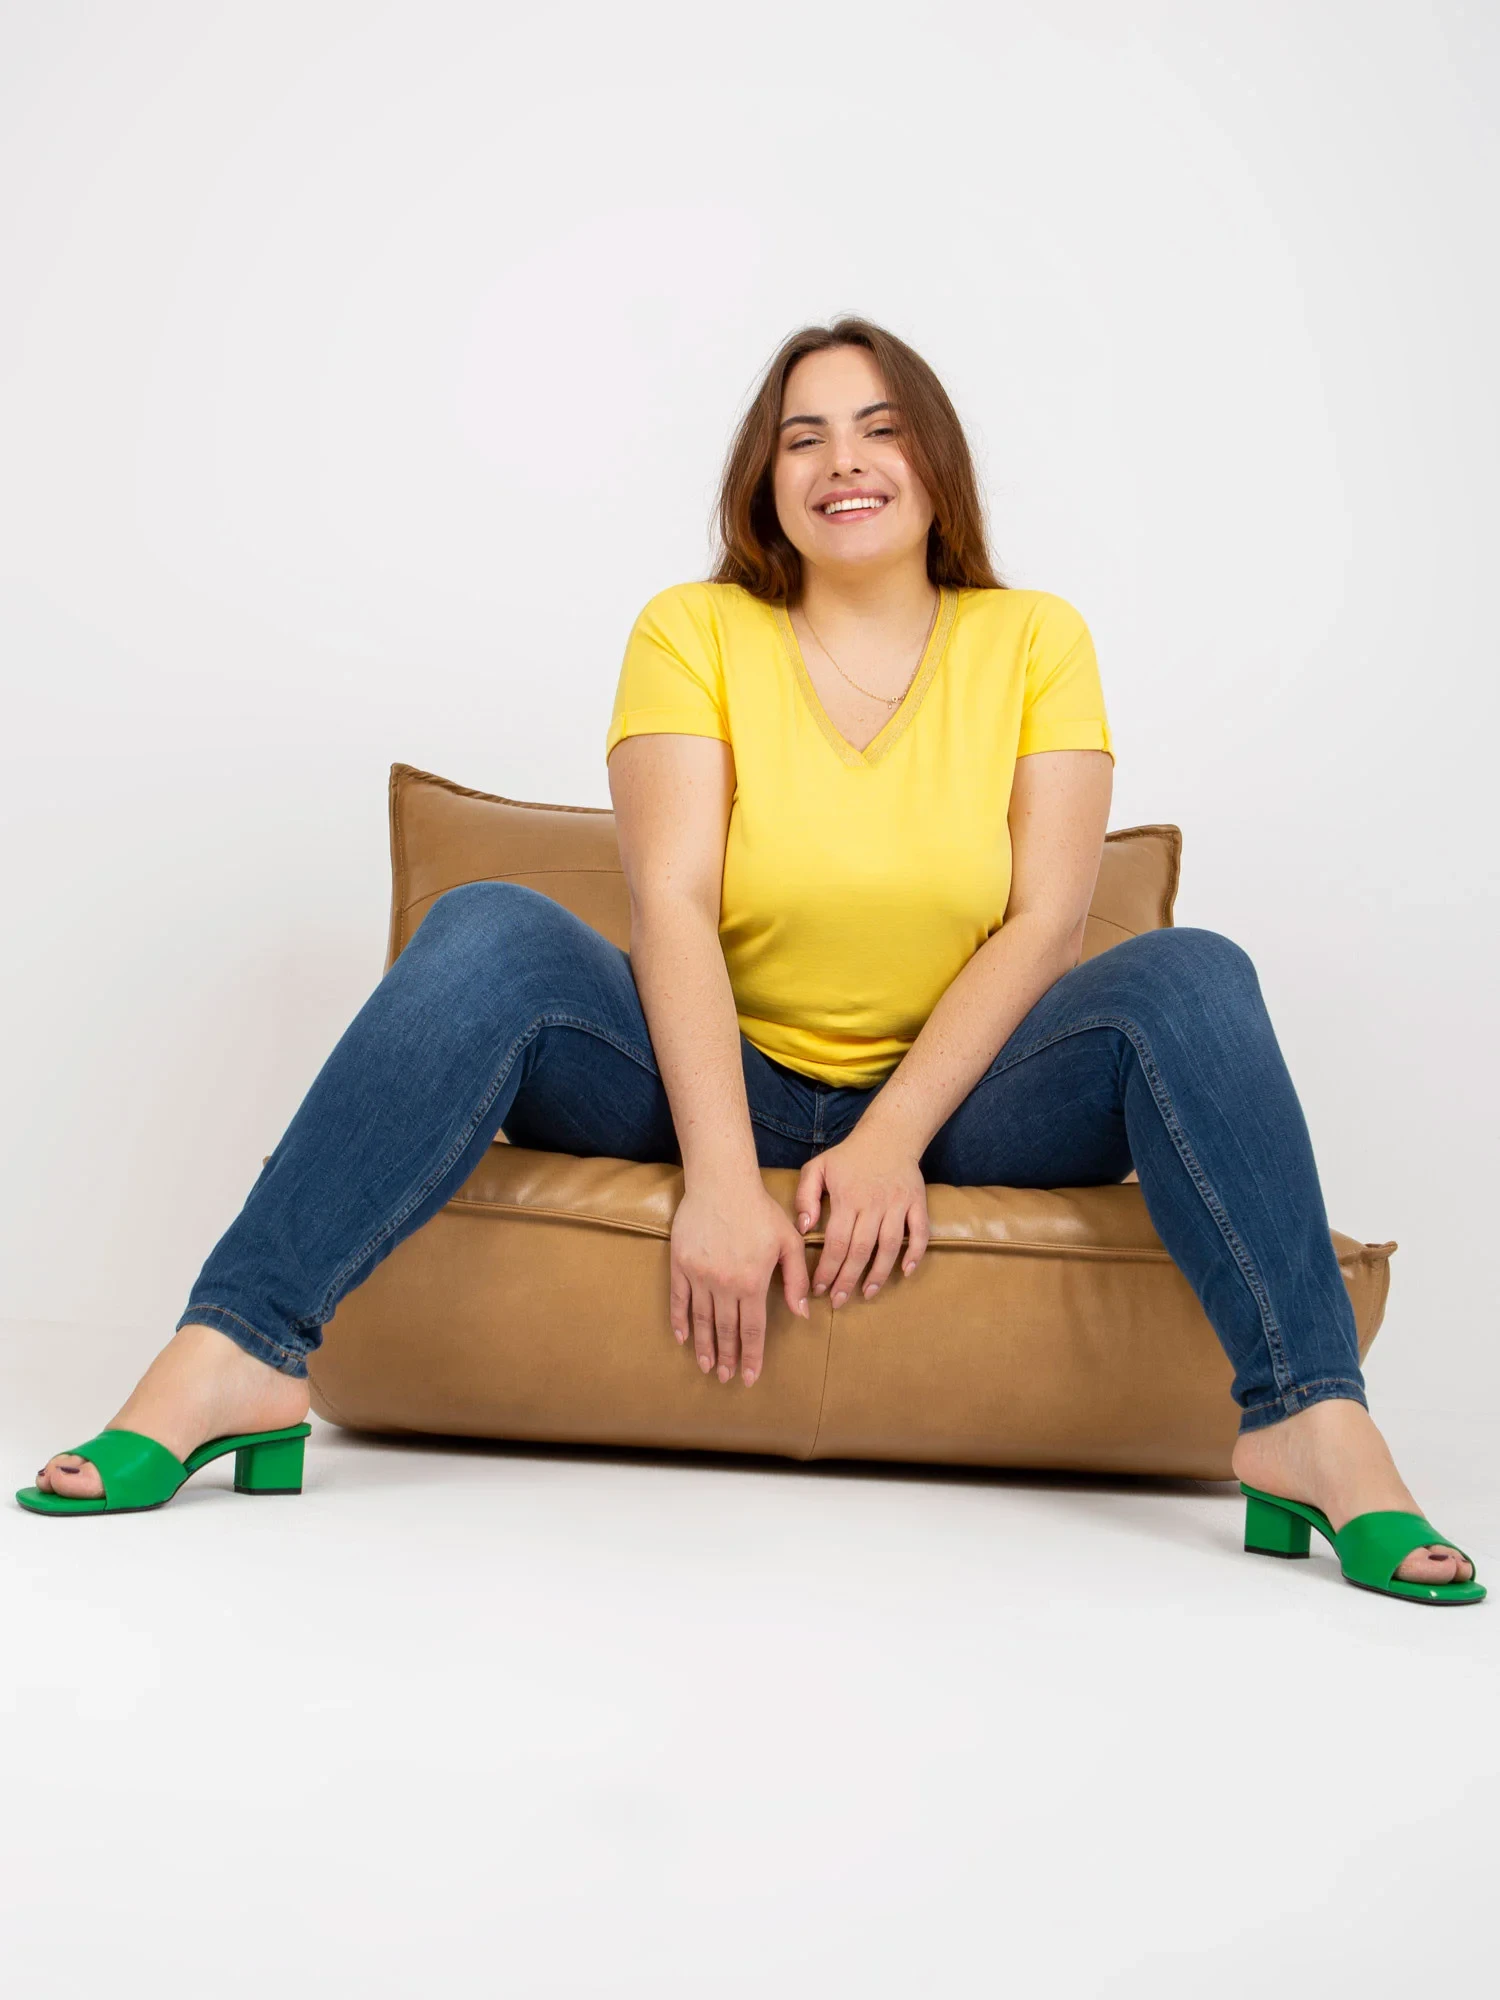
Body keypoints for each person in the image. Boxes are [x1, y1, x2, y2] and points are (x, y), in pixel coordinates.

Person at [18, 317, 1479, 1603]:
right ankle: (238, 1352)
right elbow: (668, 901)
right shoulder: (693, 629)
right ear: (763, 477)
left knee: (1195, 971)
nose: (844, 462)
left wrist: (893, 1139)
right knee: (489, 929)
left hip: (969, 1105)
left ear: (935, 461)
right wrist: (723, 1177)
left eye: (880, 428)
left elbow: (1047, 921)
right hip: (710, 1075)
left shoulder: (1036, 639)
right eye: (803, 436)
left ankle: (1309, 1419)